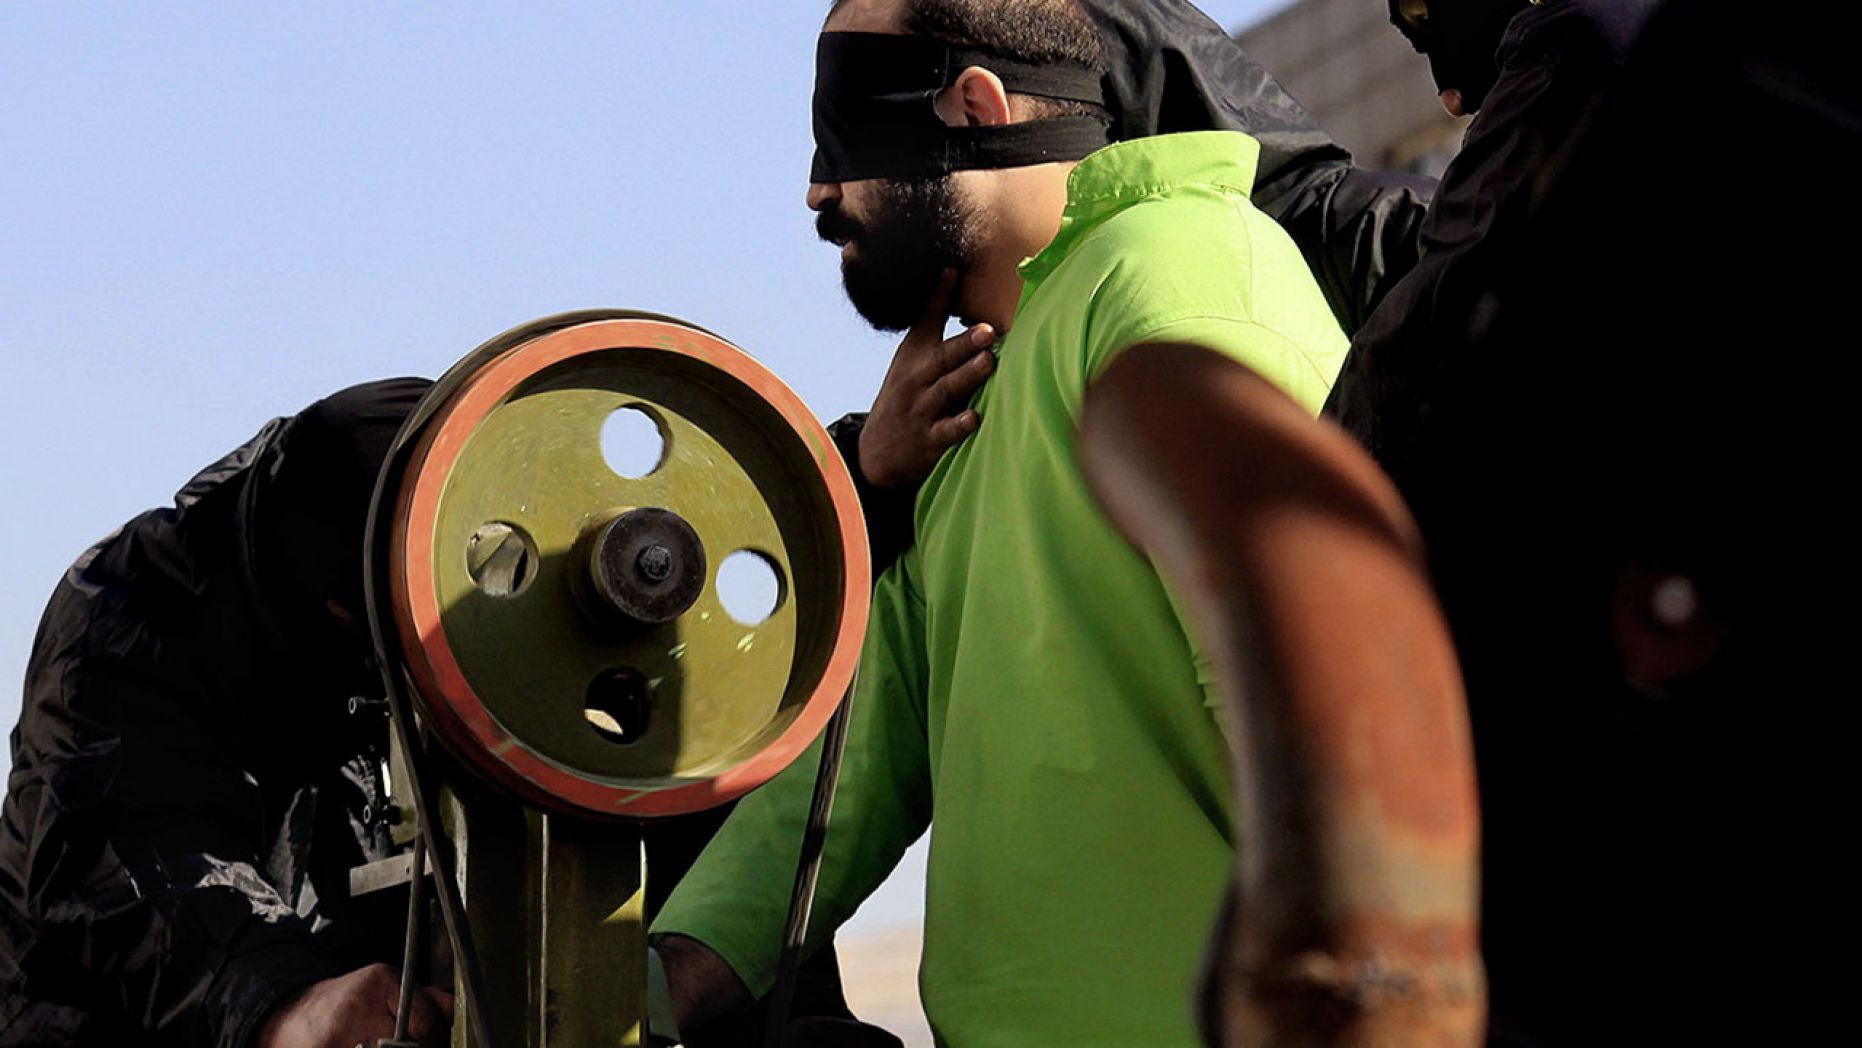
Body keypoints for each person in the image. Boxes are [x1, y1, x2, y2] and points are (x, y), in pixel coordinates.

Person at [651, 1, 1357, 1042]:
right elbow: (844, 778)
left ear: (974, 104)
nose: (817, 190)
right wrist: (648, 988)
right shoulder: (972, 397)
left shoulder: (1174, 273)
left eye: (843, 139)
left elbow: (1314, 703)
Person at [0, 368, 983, 1047]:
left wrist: (857, 478)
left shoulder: (478, 553)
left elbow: (699, 648)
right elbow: (129, 862)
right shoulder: (131, 617)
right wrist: (276, 1000)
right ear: (342, 608)